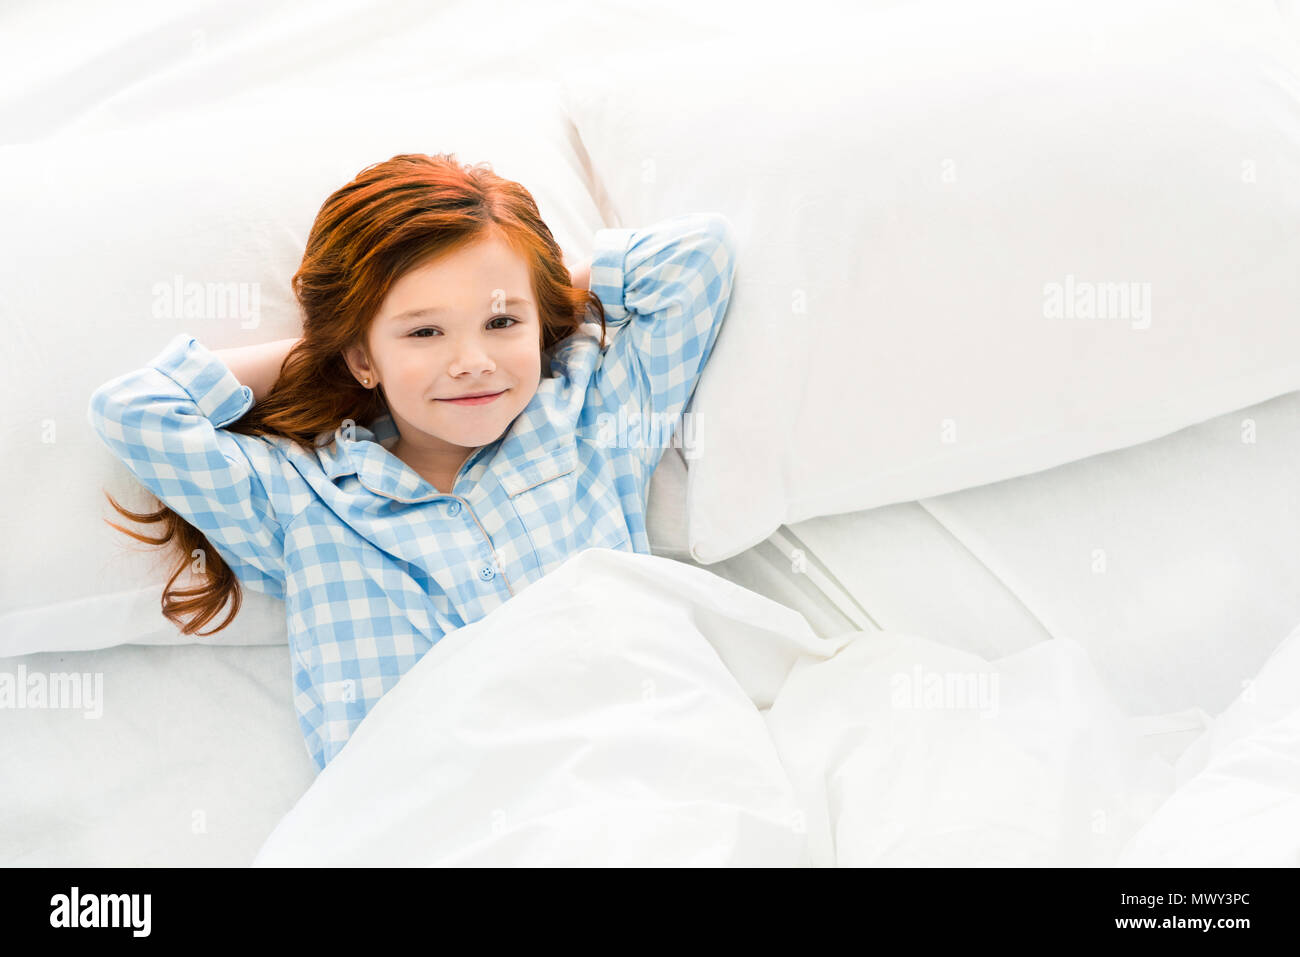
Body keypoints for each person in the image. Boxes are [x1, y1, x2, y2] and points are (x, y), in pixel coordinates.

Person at [86, 152, 738, 772]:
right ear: (363, 357)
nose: (471, 360)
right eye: (425, 331)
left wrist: (530, 290)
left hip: (629, 764)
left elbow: (698, 256)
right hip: (429, 814)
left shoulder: (591, 419)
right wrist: (335, 347)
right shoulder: (302, 498)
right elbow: (135, 410)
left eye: (500, 323)